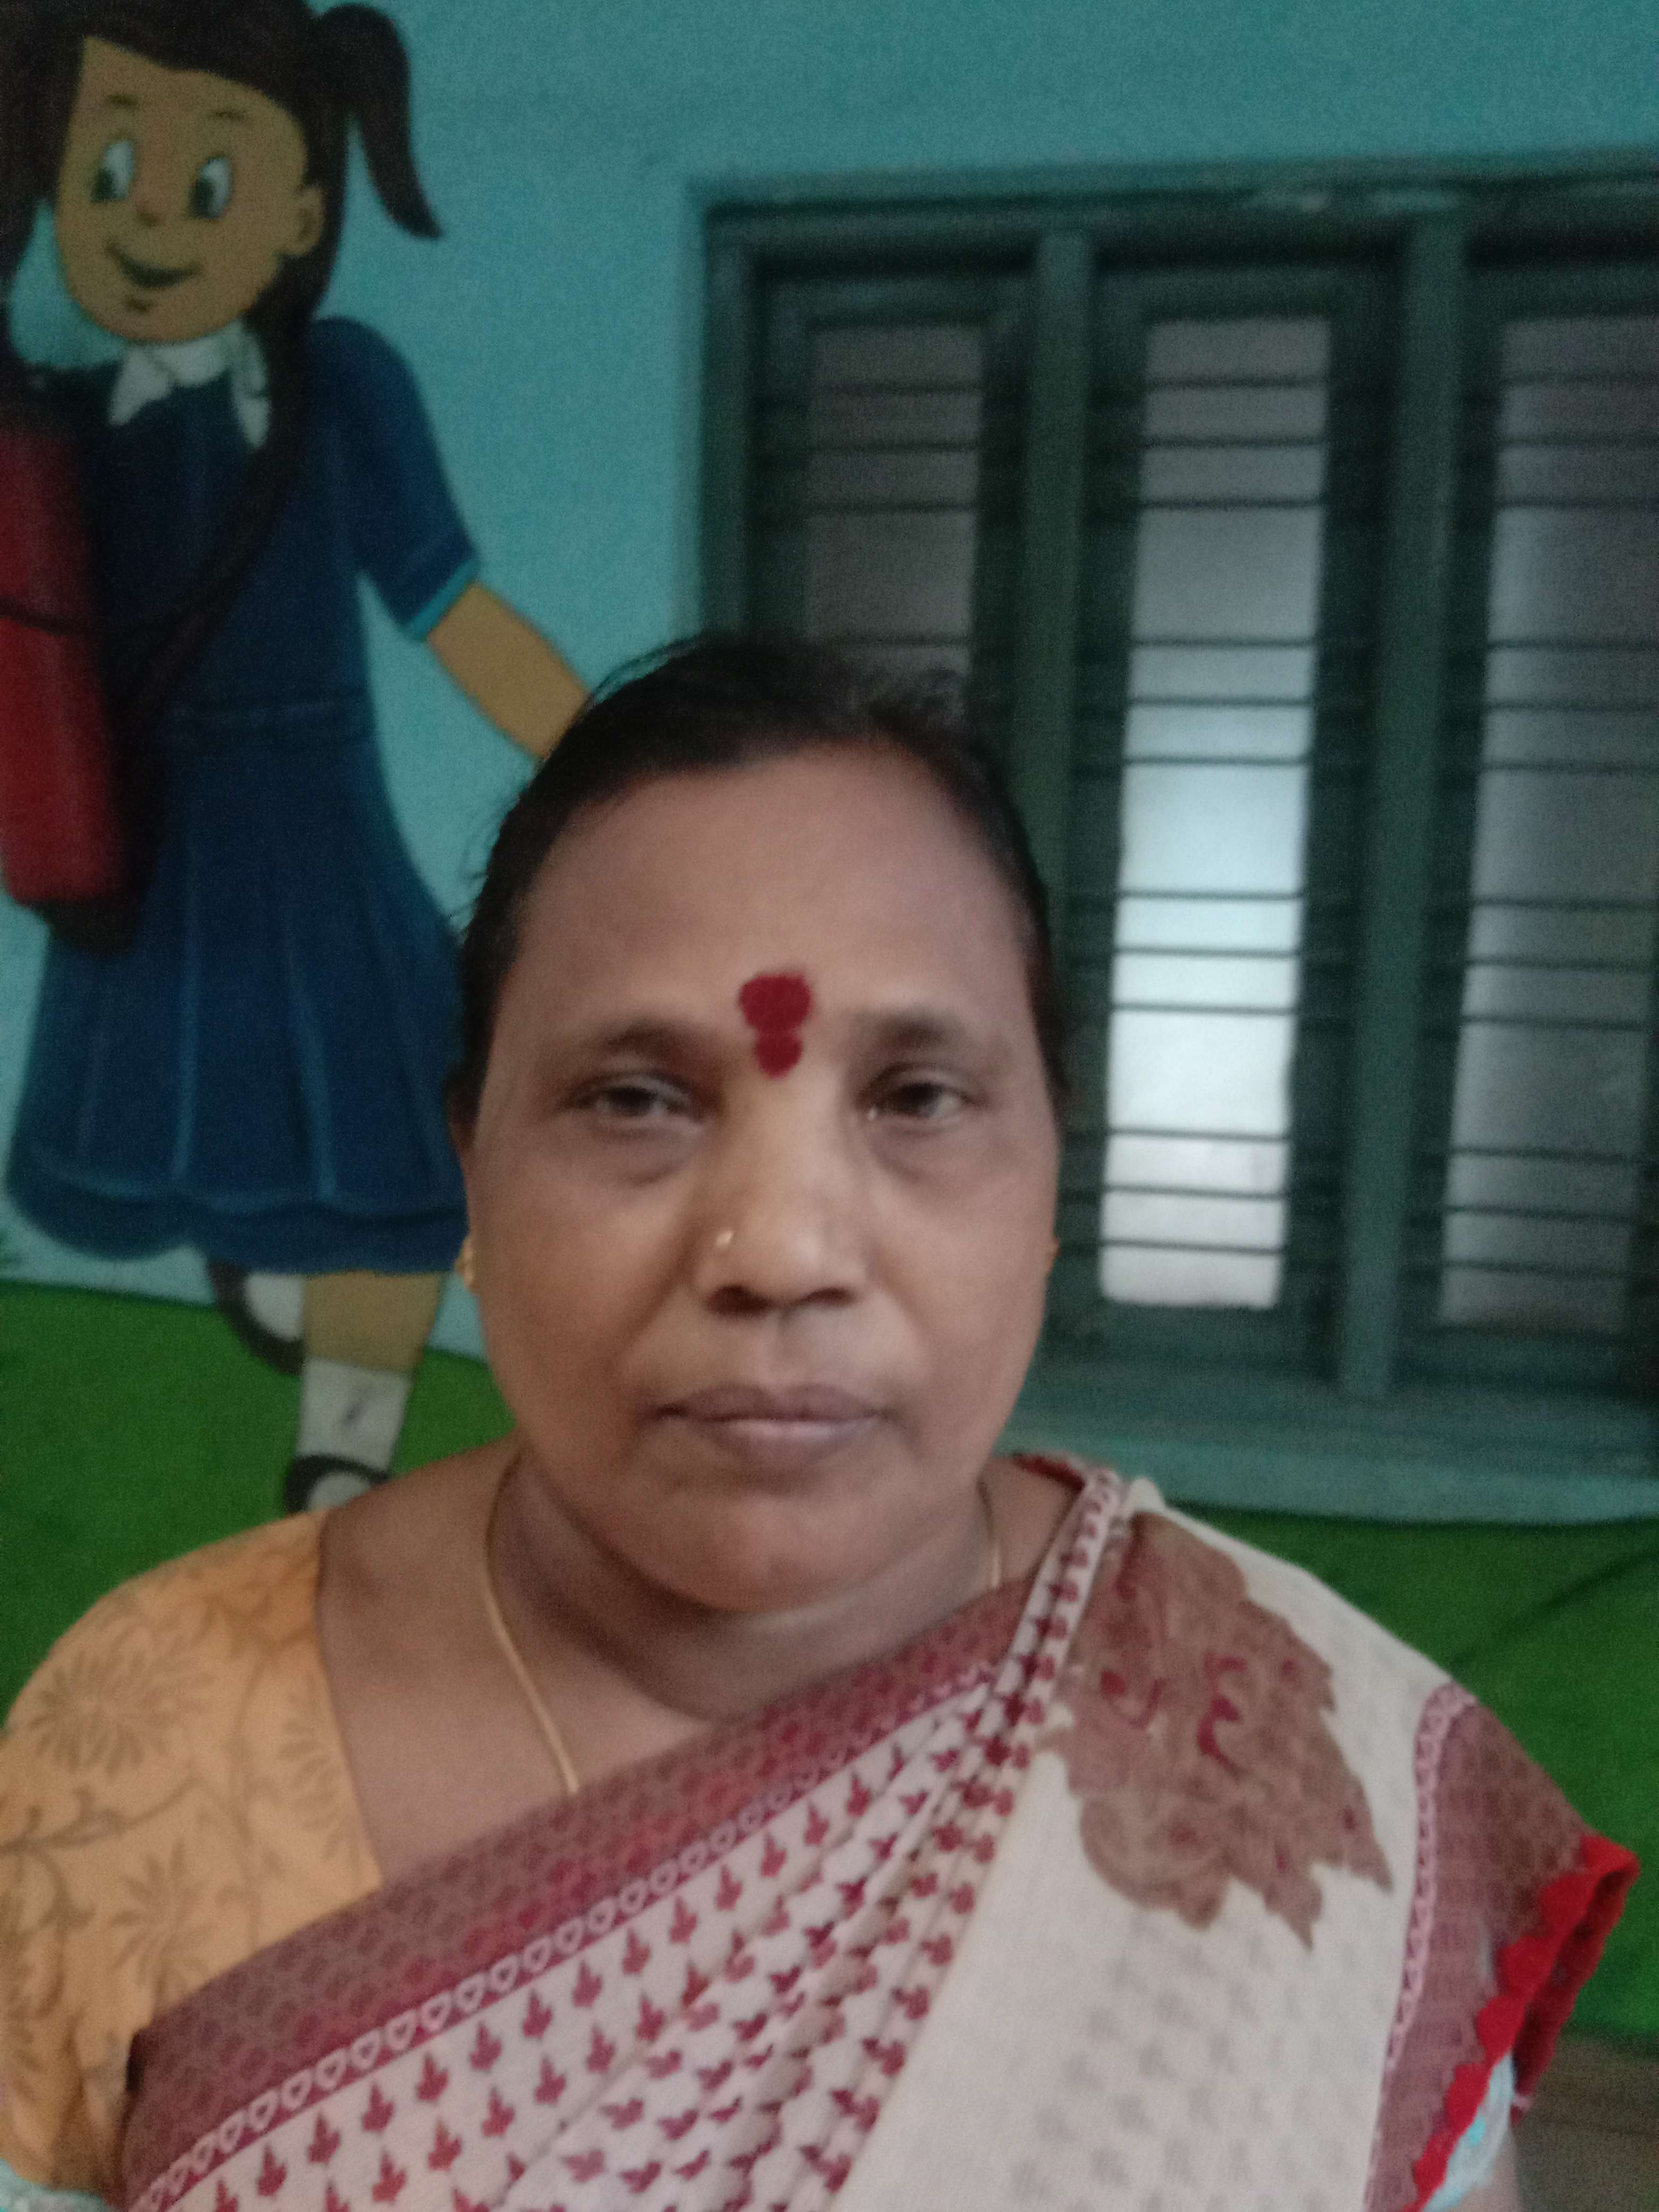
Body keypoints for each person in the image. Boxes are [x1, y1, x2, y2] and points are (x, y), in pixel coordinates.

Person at [0, 639, 1637, 2212]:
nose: (780, 1252)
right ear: (471, 1167)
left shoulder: (1314, 1765)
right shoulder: (151, 1742)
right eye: (637, 1098)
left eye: (917, 1097)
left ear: (1050, 1181)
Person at [0, 0, 586, 1514]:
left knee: (399, 1145)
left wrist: (619, 770)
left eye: (206, 180)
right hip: (147, 859)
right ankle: (267, 1281)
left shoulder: (347, 395)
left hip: (322, 839)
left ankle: (342, 1451)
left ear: (302, 216)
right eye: (108, 169)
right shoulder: (50, 439)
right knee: (200, 1139)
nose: (148, 219)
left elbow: (460, 616)